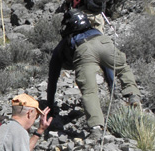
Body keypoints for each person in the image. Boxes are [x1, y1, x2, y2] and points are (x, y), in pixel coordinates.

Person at [46, 10, 141, 141]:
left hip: (84, 50)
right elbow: (108, 67)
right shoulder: (96, 31)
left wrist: (50, 105)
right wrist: (111, 87)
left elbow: (52, 80)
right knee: (123, 68)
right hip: (104, 41)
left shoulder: (62, 45)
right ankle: (133, 95)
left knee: (89, 91)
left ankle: (96, 128)